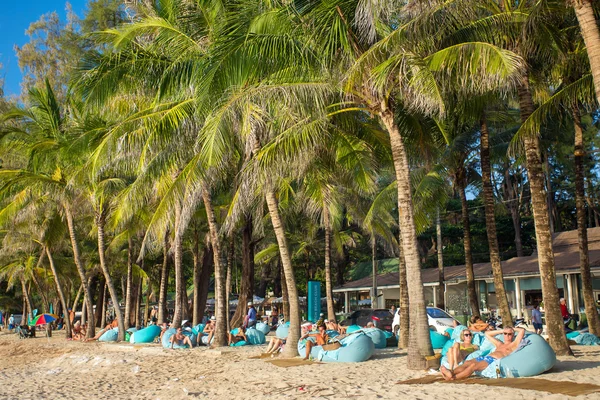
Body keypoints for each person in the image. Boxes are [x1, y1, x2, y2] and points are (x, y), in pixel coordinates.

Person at [440, 327, 526, 380]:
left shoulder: (513, 345)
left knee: (473, 366)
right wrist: (502, 330)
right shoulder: (499, 343)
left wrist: (512, 328)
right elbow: (487, 334)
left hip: (493, 360)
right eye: (505, 333)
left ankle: (453, 378)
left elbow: (522, 330)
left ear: (513, 335)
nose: (507, 335)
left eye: (509, 334)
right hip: (486, 357)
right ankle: (451, 372)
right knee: (468, 362)